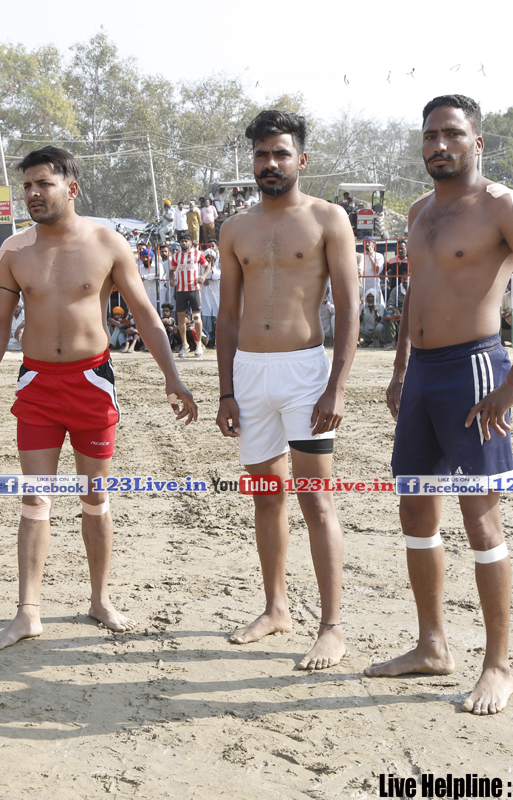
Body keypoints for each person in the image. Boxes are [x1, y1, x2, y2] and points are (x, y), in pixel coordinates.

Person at [367, 95, 513, 715]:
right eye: (431, 135)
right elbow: (416, 291)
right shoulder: (419, 211)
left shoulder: (502, 205)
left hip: (475, 371)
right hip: (422, 376)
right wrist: (400, 368)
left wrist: (512, 386)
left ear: (476, 143)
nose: (440, 145)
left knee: (480, 519)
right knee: (415, 511)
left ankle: (498, 666)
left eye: (453, 134)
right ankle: (432, 646)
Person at [0, 146, 198, 652]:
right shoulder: (14, 251)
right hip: (37, 385)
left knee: (94, 496)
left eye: (42, 184)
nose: (32, 194)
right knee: (35, 497)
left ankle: (99, 599)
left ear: (71, 188)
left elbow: (145, 314)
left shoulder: (107, 243)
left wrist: (173, 378)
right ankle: (28, 612)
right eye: (27, 186)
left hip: (92, 383)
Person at [215, 109, 360, 671]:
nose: (270, 163)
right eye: (261, 155)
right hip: (250, 373)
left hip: (305, 373)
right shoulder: (235, 229)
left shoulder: (328, 219)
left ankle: (332, 627)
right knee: (266, 494)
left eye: (280, 153)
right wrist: (226, 391)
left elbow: (348, 307)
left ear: (302, 158)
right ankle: (276, 608)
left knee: (316, 499)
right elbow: (228, 316)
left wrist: (337, 387)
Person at [171, 237, 209, 357]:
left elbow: (207, 266)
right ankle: (185, 344)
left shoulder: (197, 253)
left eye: (186, 240)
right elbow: (172, 270)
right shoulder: (176, 255)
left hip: (194, 289)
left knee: (196, 316)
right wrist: (171, 278)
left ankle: (198, 344)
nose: (184, 243)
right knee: (181, 317)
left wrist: (203, 276)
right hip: (181, 290)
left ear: (191, 242)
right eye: (182, 241)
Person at [200, 241, 222, 345]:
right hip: (205, 296)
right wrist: (203, 277)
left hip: (216, 295)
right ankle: (208, 340)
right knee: (206, 314)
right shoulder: (201, 269)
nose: (209, 259)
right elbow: (198, 277)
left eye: (211, 257)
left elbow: (216, 276)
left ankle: (216, 339)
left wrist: (212, 267)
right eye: (207, 257)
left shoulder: (218, 266)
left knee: (216, 314)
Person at [360, 238, 384, 304]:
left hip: (375, 286)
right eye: (365, 243)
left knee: (378, 305)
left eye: (369, 242)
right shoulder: (361, 256)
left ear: (374, 244)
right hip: (364, 287)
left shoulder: (379, 256)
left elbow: (377, 270)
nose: (367, 244)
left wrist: (370, 256)